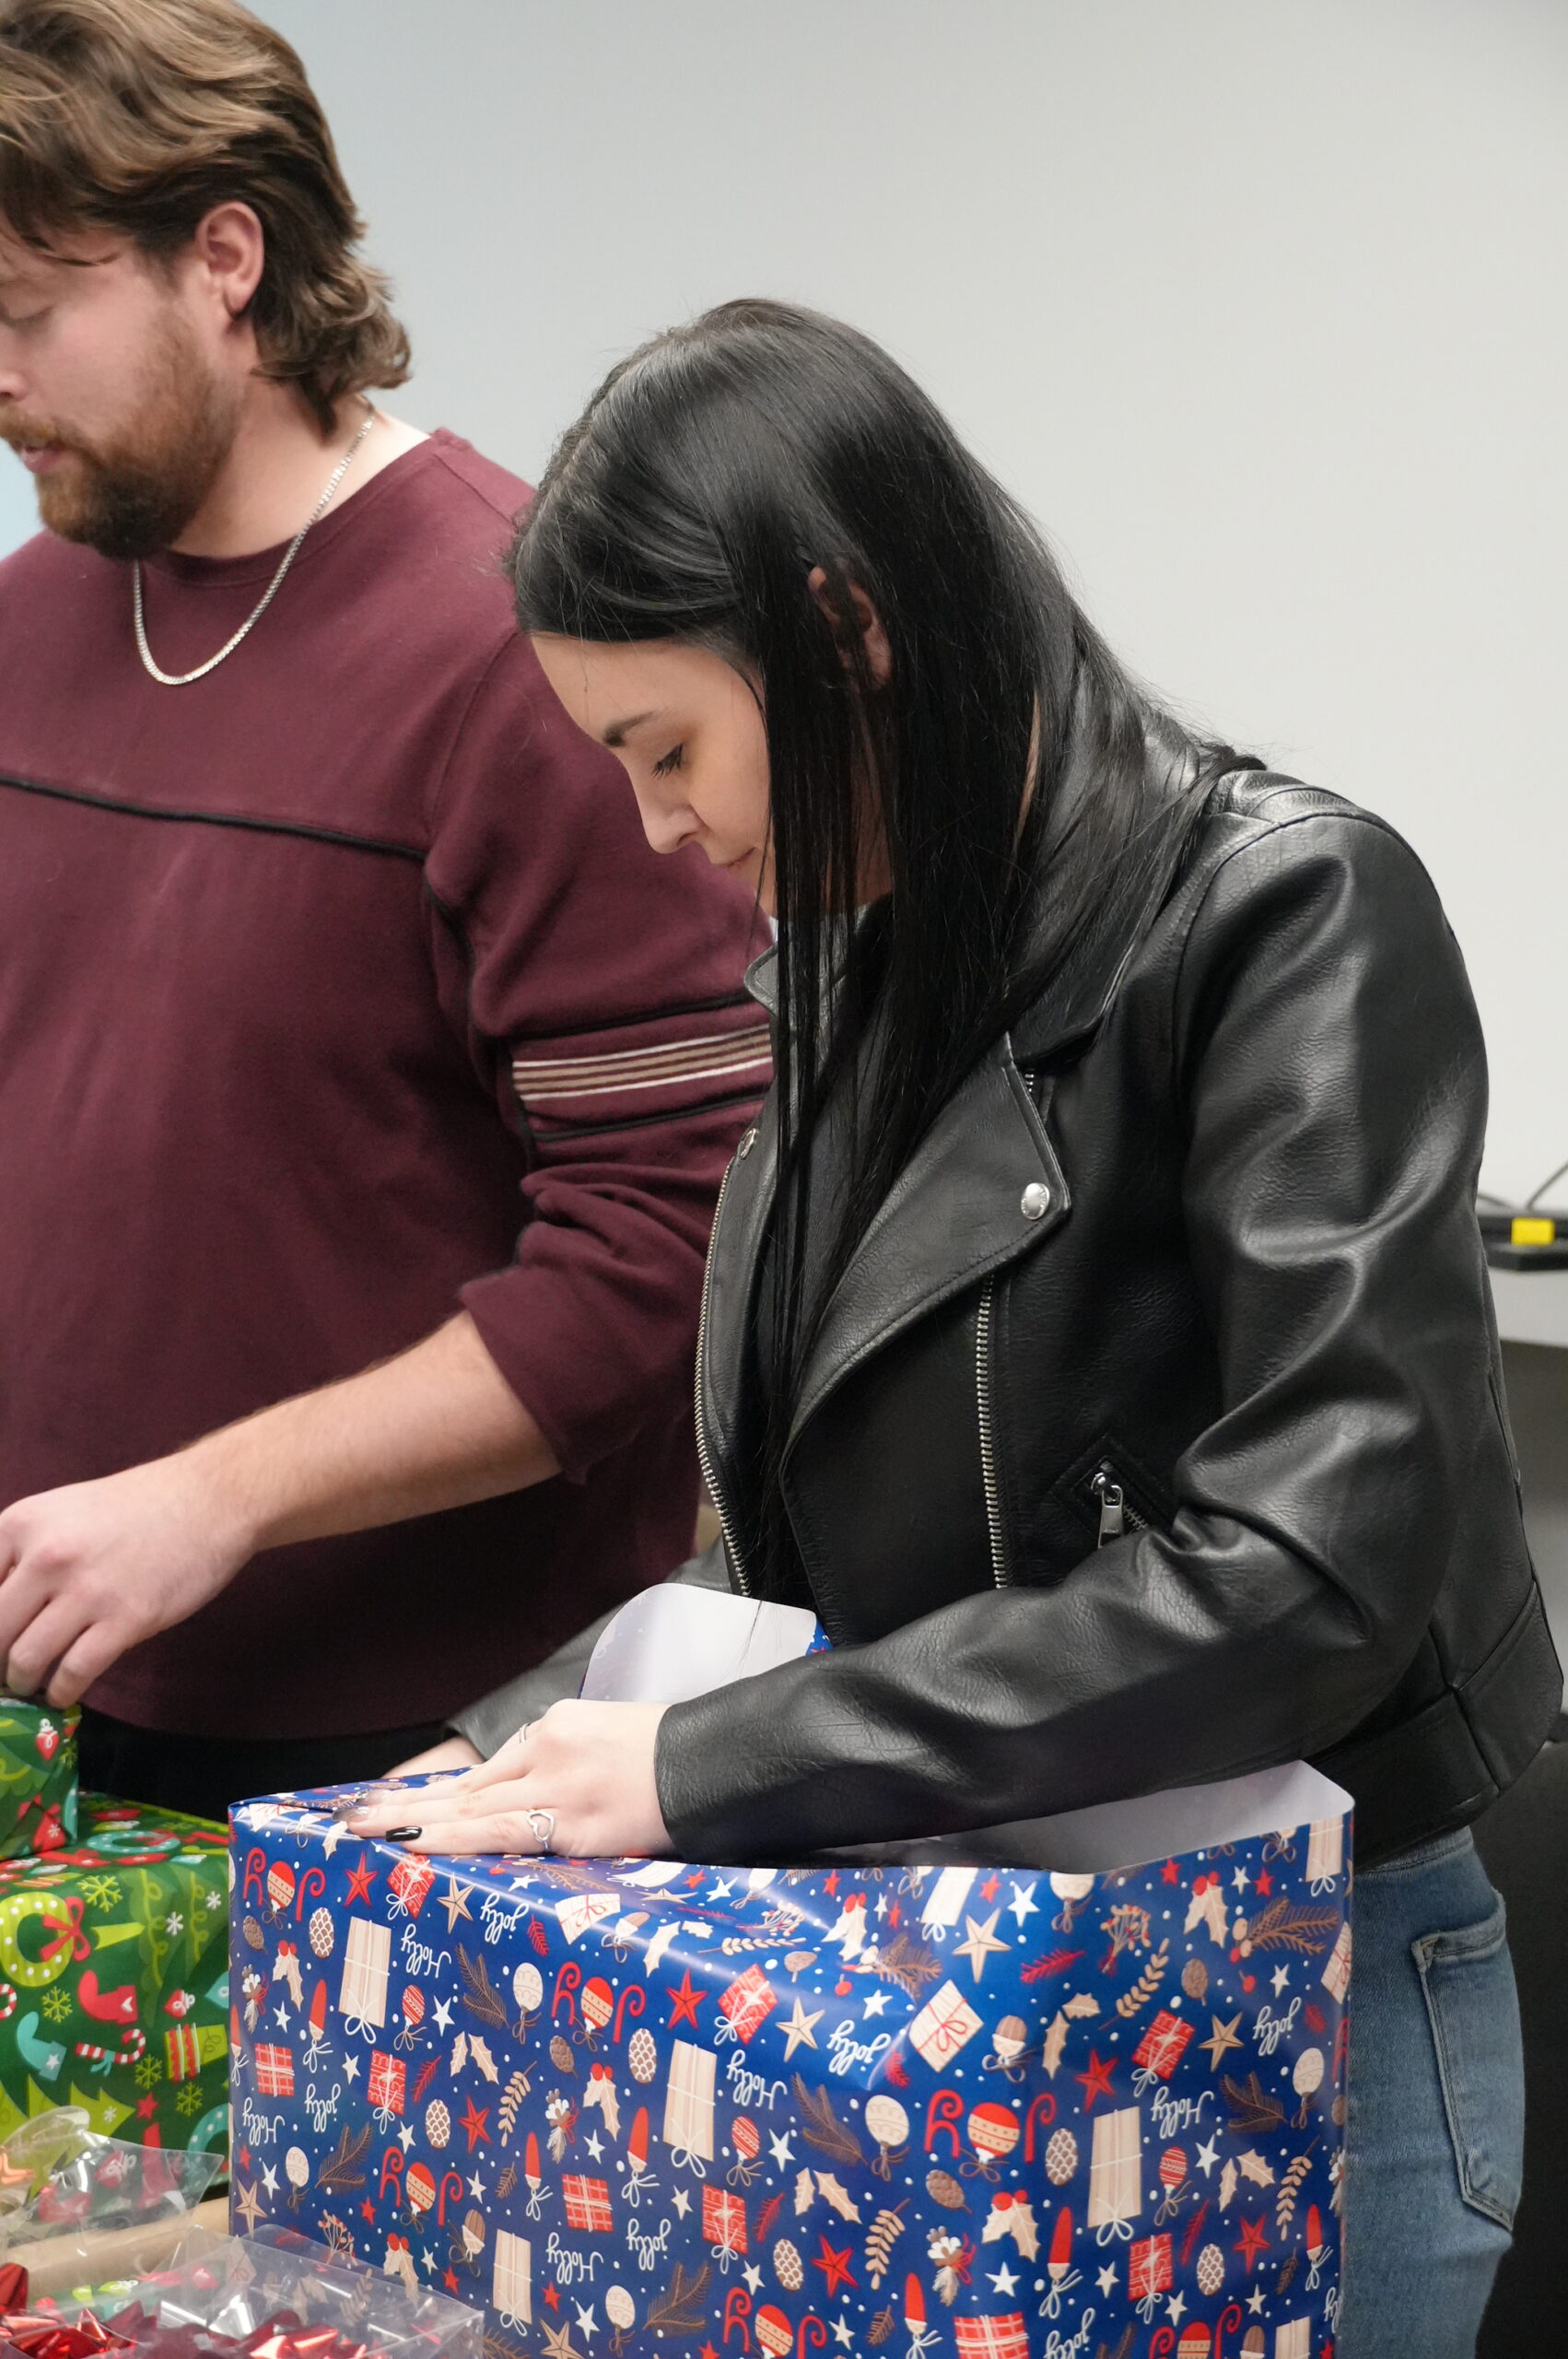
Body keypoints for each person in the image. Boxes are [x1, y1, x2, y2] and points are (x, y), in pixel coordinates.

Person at [348, 300, 1562, 2355]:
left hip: (1293, 2000)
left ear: (842, 633)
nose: (657, 830)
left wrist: (701, 1765)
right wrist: (520, 1743)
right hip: (965, 1970)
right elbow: (800, 1556)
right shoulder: (858, 974)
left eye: (666, 749)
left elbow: (1309, 1573)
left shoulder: (1286, 915)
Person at [0, 1, 766, 1824]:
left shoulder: (523, 655)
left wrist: (221, 1493)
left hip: (399, 1765)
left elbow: (672, 1252)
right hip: (47, 1704)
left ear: (225, 260)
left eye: (26, 313)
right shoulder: (32, 619)